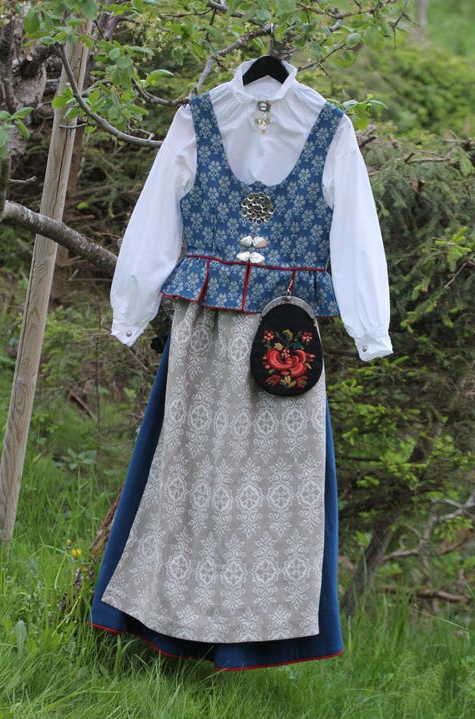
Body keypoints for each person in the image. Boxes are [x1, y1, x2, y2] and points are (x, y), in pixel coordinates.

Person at [88, 57, 392, 670]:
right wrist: (132, 308)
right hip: (202, 336)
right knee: (185, 473)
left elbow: (357, 234)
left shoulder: (330, 128)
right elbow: (156, 218)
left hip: (287, 343)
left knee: (278, 490)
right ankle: (163, 613)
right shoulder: (197, 120)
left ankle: (257, 627)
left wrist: (369, 327)